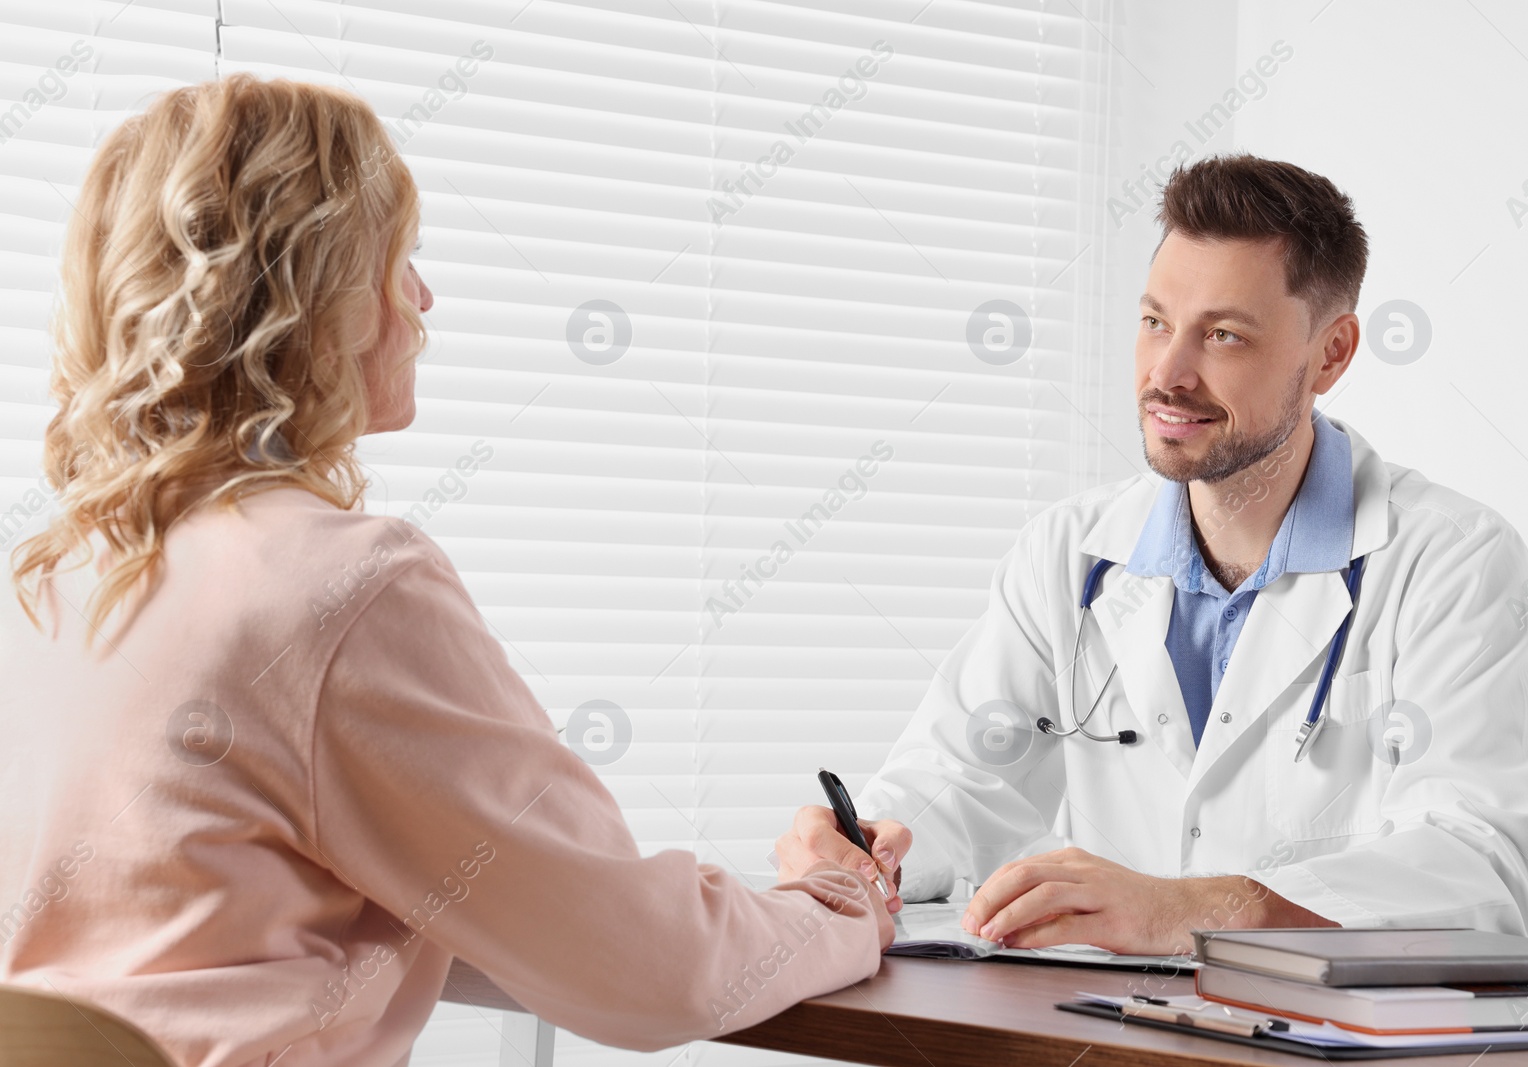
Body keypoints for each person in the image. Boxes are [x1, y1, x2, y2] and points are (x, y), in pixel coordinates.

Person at [0, 74, 890, 1067]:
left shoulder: (46, 582)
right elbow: (655, 972)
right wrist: (839, 897)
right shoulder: (337, 586)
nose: (423, 297)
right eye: (400, 258)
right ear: (310, 290)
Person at [776, 154, 1528, 955]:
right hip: (1117, 1025)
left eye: (1222, 335)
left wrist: (1193, 909)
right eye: (1155, 322)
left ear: (1332, 354)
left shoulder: (1454, 563)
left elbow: (1480, 864)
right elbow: (964, 774)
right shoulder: (1069, 553)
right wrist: (873, 840)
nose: (1168, 374)